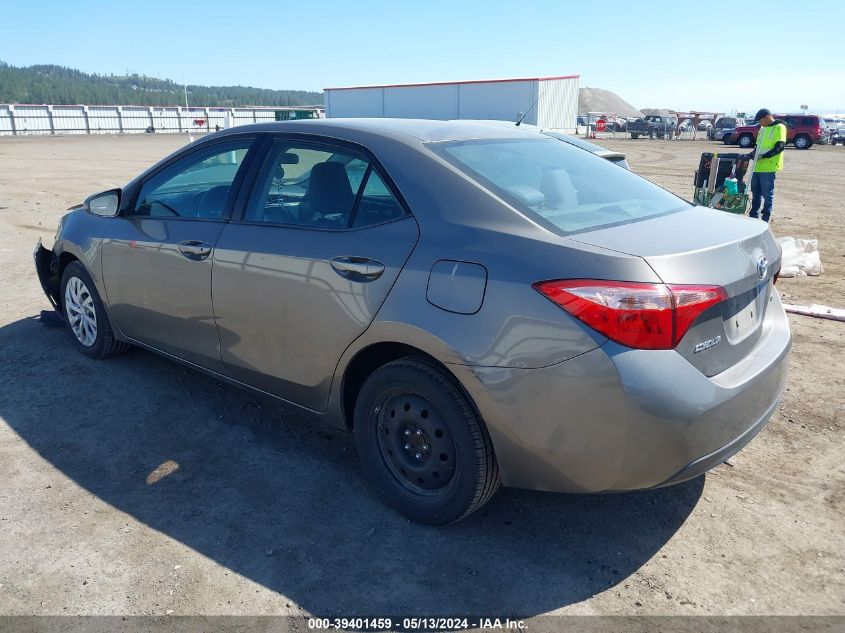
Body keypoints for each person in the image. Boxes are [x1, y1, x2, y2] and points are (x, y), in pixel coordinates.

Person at [743, 108, 787, 222]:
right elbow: (757, 147)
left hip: (769, 167)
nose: (759, 123)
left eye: (760, 120)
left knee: (767, 194)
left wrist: (764, 156)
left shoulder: (779, 127)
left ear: (767, 117)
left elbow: (780, 146)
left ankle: (765, 218)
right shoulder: (762, 129)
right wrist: (749, 156)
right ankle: (753, 217)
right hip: (757, 167)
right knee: (755, 193)